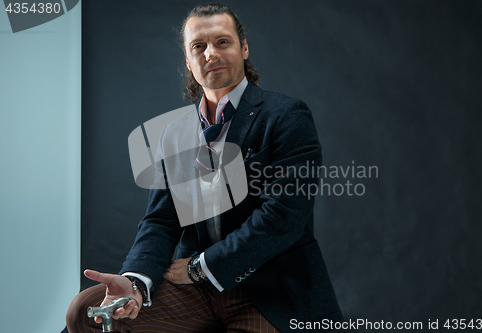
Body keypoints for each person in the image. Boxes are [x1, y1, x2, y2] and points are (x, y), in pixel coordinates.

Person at [67, 3, 343, 332]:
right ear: (188, 61)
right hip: (194, 291)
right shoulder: (175, 132)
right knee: (85, 311)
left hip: (269, 288)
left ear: (243, 48)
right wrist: (137, 284)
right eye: (199, 46)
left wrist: (201, 267)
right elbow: (160, 220)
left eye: (222, 42)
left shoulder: (287, 116)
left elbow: (283, 219)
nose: (210, 53)